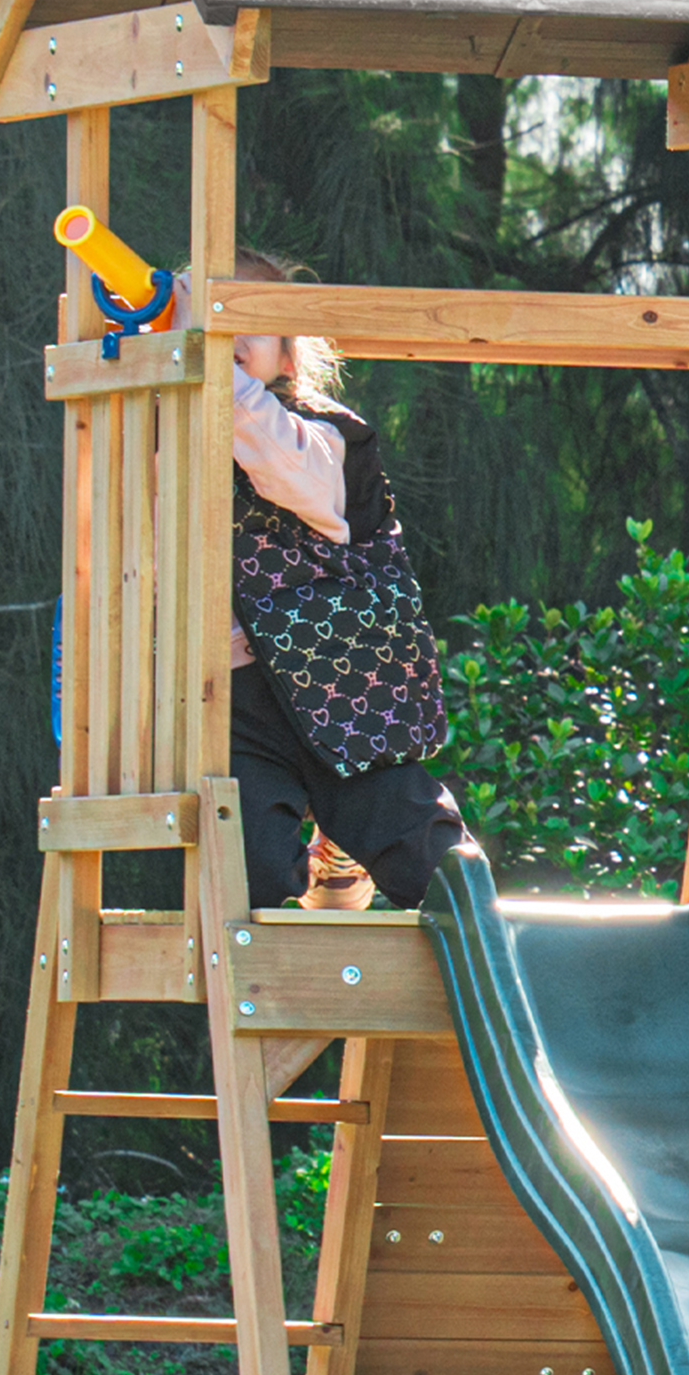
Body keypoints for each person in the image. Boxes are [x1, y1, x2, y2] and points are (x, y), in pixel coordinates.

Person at [189, 251, 468, 913]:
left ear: (289, 358)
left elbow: (274, 459)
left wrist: (206, 349)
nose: (226, 334)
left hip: (344, 682)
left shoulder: (324, 436)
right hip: (234, 695)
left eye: (248, 321)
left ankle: (351, 854)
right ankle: (288, 997)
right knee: (248, 870)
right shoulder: (173, 435)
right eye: (209, 317)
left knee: (428, 858)